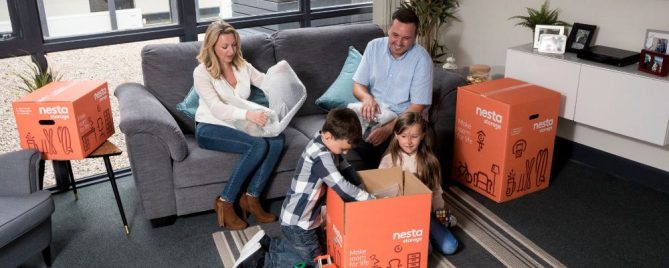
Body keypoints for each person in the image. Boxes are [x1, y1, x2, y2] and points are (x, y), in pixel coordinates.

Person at [193, 20, 284, 230]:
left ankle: (251, 198)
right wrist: (248, 114)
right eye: (224, 46)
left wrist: (283, 81)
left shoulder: (242, 65)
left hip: (239, 123)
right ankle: (225, 201)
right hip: (210, 126)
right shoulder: (201, 72)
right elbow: (216, 108)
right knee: (258, 145)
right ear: (212, 46)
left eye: (233, 45)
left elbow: (265, 82)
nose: (231, 51)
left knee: (277, 139)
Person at [264, 108, 376, 266]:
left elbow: (346, 169)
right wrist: (367, 198)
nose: (344, 153)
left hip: (306, 219)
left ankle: (271, 247)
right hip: (299, 223)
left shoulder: (325, 141)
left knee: (319, 249)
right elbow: (341, 186)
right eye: (343, 149)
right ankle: (268, 262)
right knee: (315, 261)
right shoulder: (320, 156)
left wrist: (362, 188)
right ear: (328, 136)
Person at [352, 6, 433, 167]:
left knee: (380, 148)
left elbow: (418, 105)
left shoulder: (422, 59)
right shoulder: (374, 46)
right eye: (395, 35)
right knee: (342, 130)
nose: (398, 42)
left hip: (404, 119)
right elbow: (357, 85)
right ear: (389, 29)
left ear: (415, 37)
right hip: (376, 114)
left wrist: (389, 128)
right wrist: (367, 98)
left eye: (406, 38)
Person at [379, 112, 459, 255]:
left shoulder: (430, 161)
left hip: (424, 214)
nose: (408, 142)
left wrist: (441, 213)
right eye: (403, 136)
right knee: (425, 251)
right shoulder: (388, 160)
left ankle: (434, 229)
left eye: (414, 137)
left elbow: (435, 191)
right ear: (396, 135)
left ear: (422, 135)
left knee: (450, 247)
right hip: (399, 216)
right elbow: (381, 191)